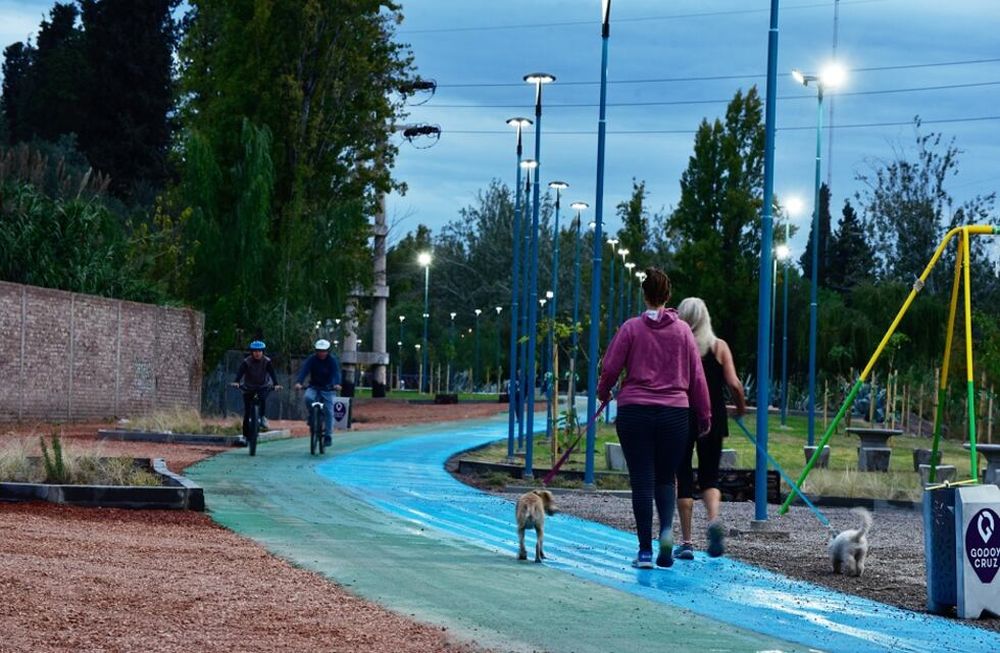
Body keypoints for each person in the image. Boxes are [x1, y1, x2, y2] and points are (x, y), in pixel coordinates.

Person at [597, 268, 711, 569]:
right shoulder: (683, 332)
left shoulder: (630, 329)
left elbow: (610, 367)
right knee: (665, 478)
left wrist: (603, 392)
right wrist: (704, 414)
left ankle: (645, 552)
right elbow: (697, 378)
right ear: (668, 295)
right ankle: (667, 533)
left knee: (642, 481)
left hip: (635, 412)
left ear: (644, 294)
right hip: (675, 414)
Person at [674, 297, 747, 560]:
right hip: (714, 416)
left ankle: (686, 542)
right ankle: (713, 521)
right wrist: (740, 408)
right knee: (710, 476)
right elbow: (734, 383)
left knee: (682, 475)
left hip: (681, 414)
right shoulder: (719, 347)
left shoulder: (677, 346)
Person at [294, 339, 342, 446]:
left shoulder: (332, 360)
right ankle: (312, 415)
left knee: (329, 411)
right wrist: (299, 382)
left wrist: (336, 384)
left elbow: (336, 373)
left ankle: (328, 436)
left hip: (328, 389)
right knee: (308, 397)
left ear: (328, 351)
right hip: (314, 387)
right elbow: (304, 371)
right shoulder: (312, 359)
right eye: (319, 351)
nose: (321, 353)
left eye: (324, 351)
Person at [232, 340, 281, 438]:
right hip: (248, 387)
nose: (257, 353)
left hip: (262, 386)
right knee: (247, 412)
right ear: (251, 352)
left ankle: (262, 417)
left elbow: (272, 373)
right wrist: (236, 382)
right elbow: (240, 372)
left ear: (263, 352)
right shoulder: (247, 361)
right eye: (255, 351)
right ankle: (245, 435)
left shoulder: (267, 361)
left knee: (262, 398)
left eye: (259, 351)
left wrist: (276, 384)